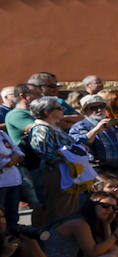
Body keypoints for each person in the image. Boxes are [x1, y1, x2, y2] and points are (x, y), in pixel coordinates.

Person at [25, 96, 88, 227]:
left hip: (66, 171)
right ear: (47, 112)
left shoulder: (53, 126)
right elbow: (44, 153)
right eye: (59, 108)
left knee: (69, 207)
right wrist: (72, 155)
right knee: (59, 209)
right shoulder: (41, 129)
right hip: (55, 174)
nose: (63, 110)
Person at [43, 193, 118, 257]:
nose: (110, 210)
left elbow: (108, 248)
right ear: (92, 206)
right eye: (105, 206)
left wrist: (106, 225)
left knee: (114, 249)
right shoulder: (79, 223)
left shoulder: (90, 221)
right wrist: (116, 235)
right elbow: (93, 252)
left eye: (114, 208)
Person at [71, 96, 118, 176]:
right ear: (85, 111)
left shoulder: (111, 123)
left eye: (101, 106)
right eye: (94, 108)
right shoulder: (80, 126)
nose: (99, 110)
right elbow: (80, 144)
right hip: (97, 168)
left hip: (117, 166)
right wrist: (96, 129)